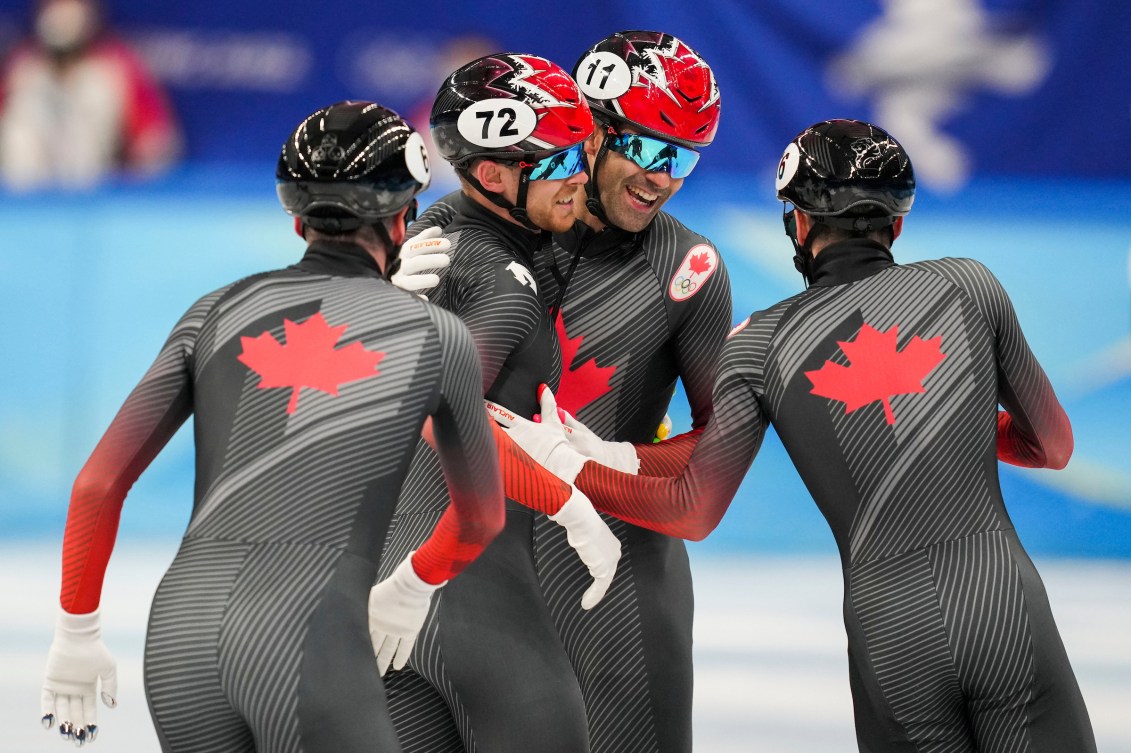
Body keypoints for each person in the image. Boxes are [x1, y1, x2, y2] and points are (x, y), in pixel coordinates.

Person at [499, 118, 1098, 753]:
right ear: (896, 225)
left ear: (800, 224)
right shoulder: (968, 285)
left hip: (890, 630)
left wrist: (570, 463)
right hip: (1002, 602)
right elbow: (1053, 446)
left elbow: (692, 511)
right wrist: (958, 414)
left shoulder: (758, 345)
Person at [38, 100, 506, 752]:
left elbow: (96, 484)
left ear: (295, 218)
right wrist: (408, 585)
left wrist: (76, 632)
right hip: (308, 631)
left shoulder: (216, 310)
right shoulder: (437, 335)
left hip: (180, 636)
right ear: (404, 218)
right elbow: (480, 516)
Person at [398, 30, 730, 753]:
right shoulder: (464, 228)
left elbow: (716, 459)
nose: (664, 179)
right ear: (590, 129)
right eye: (649, 149)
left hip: (618, 579)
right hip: (474, 566)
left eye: (684, 158)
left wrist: (614, 459)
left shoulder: (687, 265)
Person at [376, 53, 622, 753]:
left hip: (385, 591)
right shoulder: (505, 286)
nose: (582, 173)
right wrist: (569, 504)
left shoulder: (427, 234)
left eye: (584, 148)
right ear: (492, 174)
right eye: (559, 157)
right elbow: (445, 414)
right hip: (463, 586)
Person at [0, 0, 181, 191]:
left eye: (72, 9)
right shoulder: (23, 65)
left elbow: (155, 136)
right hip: (28, 191)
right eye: (57, 9)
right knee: (21, 124)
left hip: (94, 188)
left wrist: (141, 175)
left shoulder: (116, 64)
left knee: (95, 90)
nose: (63, 17)